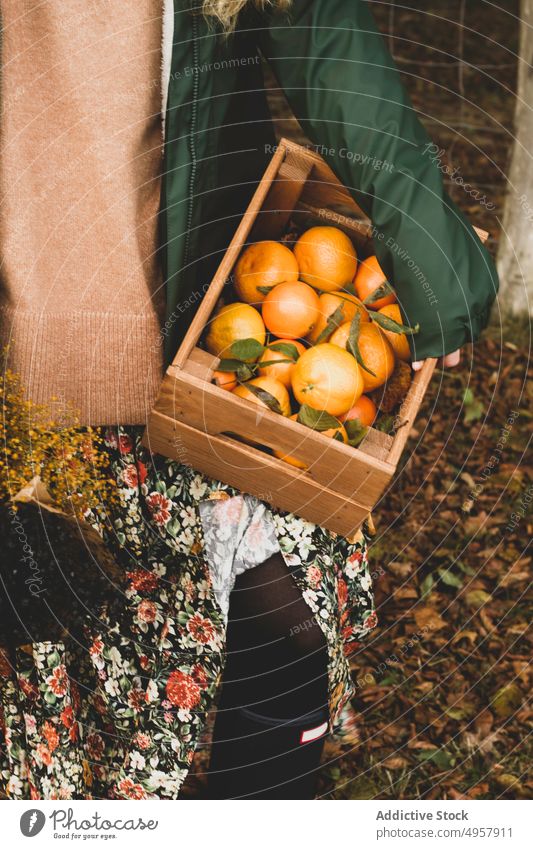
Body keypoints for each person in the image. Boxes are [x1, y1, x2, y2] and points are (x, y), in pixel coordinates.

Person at [0, 1, 497, 800]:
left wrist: (427, 251)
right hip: (32, 393)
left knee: (282, 636)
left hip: (213, 339)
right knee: (65, 683)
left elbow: (321, 30)